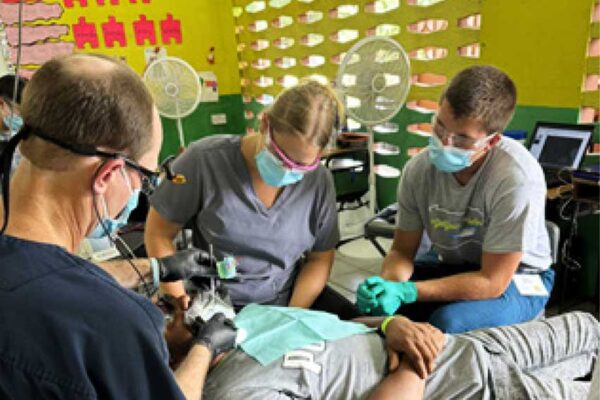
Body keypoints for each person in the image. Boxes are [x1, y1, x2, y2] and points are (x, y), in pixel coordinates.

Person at [0, 54, 237, 398]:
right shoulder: (113, 324)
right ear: (108, 174)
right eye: (144, 176)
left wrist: (157, 268)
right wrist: (204, 347)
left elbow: (49, 278)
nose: (141, 190)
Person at [357, 65, 554, 333]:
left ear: (492, 141)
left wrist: (408, 291)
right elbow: (402, 251)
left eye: (461, 139)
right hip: (455, 266)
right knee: (375, 316)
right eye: (439, 126)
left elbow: (492, 281)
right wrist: (389, 286)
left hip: (519, 278)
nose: (443, 142)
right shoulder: (418, 170)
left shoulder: (516, 178)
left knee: (449, 323)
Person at [145, 80, 356, 317]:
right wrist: (179, 307)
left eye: (300, 166)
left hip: (282, 305)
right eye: (280, 157)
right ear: (265, 124)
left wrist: (291, 317)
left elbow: (320, 257)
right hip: (212, 305)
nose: (287, 171)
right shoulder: (203, 161)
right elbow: (159, 233)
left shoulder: (318, 182)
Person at [172, 298, 597, 400]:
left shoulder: (246, 321)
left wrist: (394, 324)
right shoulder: (233, 392)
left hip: (468, 346)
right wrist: (416, 366)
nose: (182, 304)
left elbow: (340, 327)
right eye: (167, 313)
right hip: (469, 386)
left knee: (587, 326)